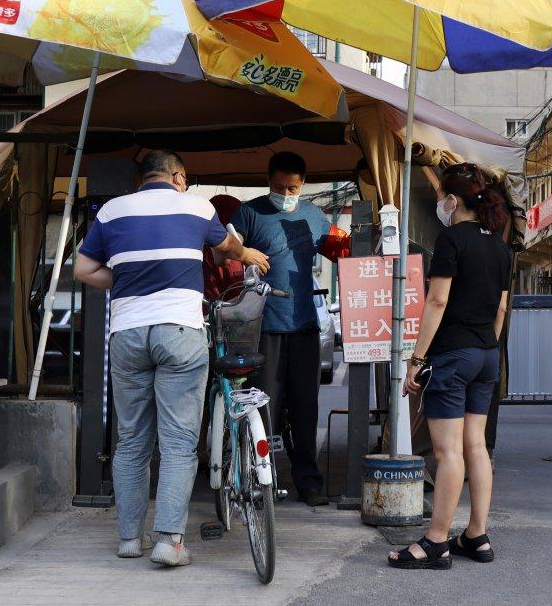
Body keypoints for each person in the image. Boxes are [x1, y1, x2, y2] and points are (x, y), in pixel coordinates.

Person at [74, 150, 269, 566]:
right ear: (178, 176)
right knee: (179, 442)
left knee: (131, 441)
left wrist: (127, 279)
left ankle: (129, 539)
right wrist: (248, 254)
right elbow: (228, 248)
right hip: (180, 330)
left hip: (126, 334)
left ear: (142, 179)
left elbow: (84, 270)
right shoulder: (196, 207)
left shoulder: (111, 211)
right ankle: (169, 542)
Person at [389, 163, 512, 570]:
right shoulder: (499, 245)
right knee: (476, 445)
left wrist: (417, 358)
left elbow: (437, 301)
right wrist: (486, 344)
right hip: (486, 355)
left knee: (446, 451)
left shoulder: (450, 239)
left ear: (452, 200)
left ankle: (436, 541)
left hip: (454, 355)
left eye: (442, 197)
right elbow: (501, 307)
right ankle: (477, 534)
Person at [231, 151, 348, 507]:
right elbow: (225, 251)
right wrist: (243, 252)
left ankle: (308, 481)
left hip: (304, 326)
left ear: (303, 184)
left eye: (294, 187)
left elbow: (342, 249)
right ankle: (256, 479)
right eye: (282, 186)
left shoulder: (314, 214)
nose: (288, 192)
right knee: (263, 407)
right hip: (262, 326)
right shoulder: (249, 212)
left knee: (305, 408)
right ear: (270, 181)